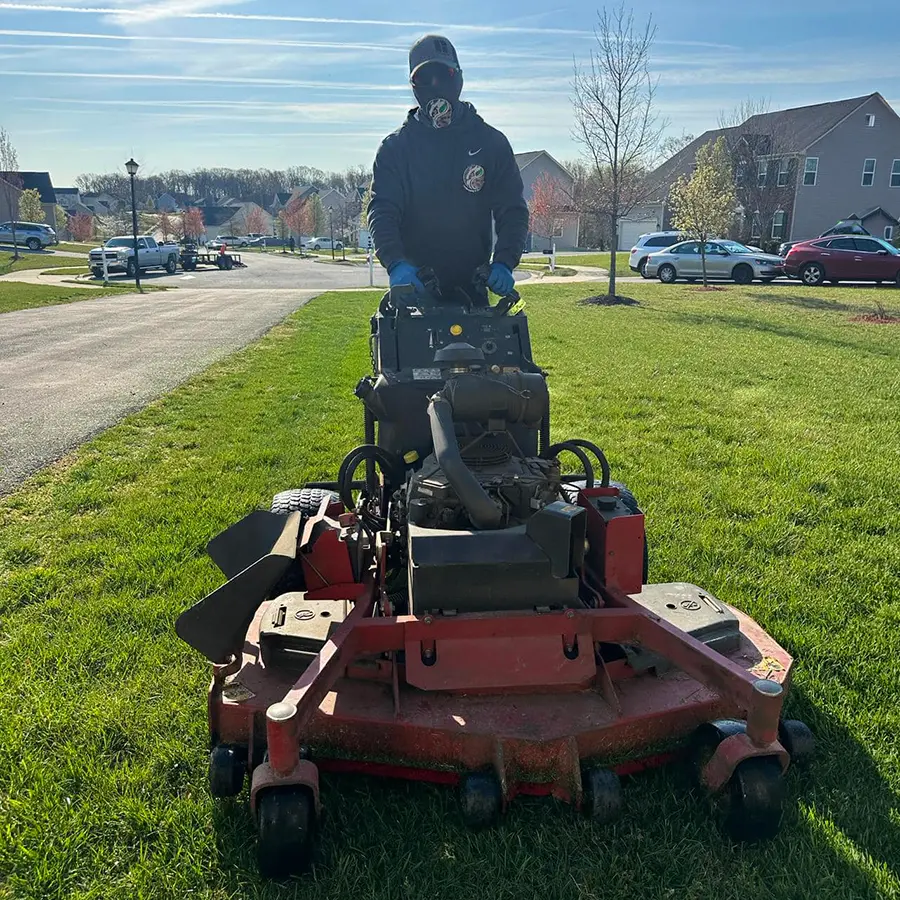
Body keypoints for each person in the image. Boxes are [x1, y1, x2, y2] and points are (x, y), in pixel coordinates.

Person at [369, 34, 529, 305]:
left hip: (474, 289)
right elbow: (382, 211)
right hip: (416, 289)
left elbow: (512, 210)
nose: (436, 85)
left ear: (459, 77)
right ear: (413, 84)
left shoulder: (490, 143)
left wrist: (504, 261)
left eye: (444, 74)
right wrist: (395, 262)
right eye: (425, 78)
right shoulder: (396, 149)